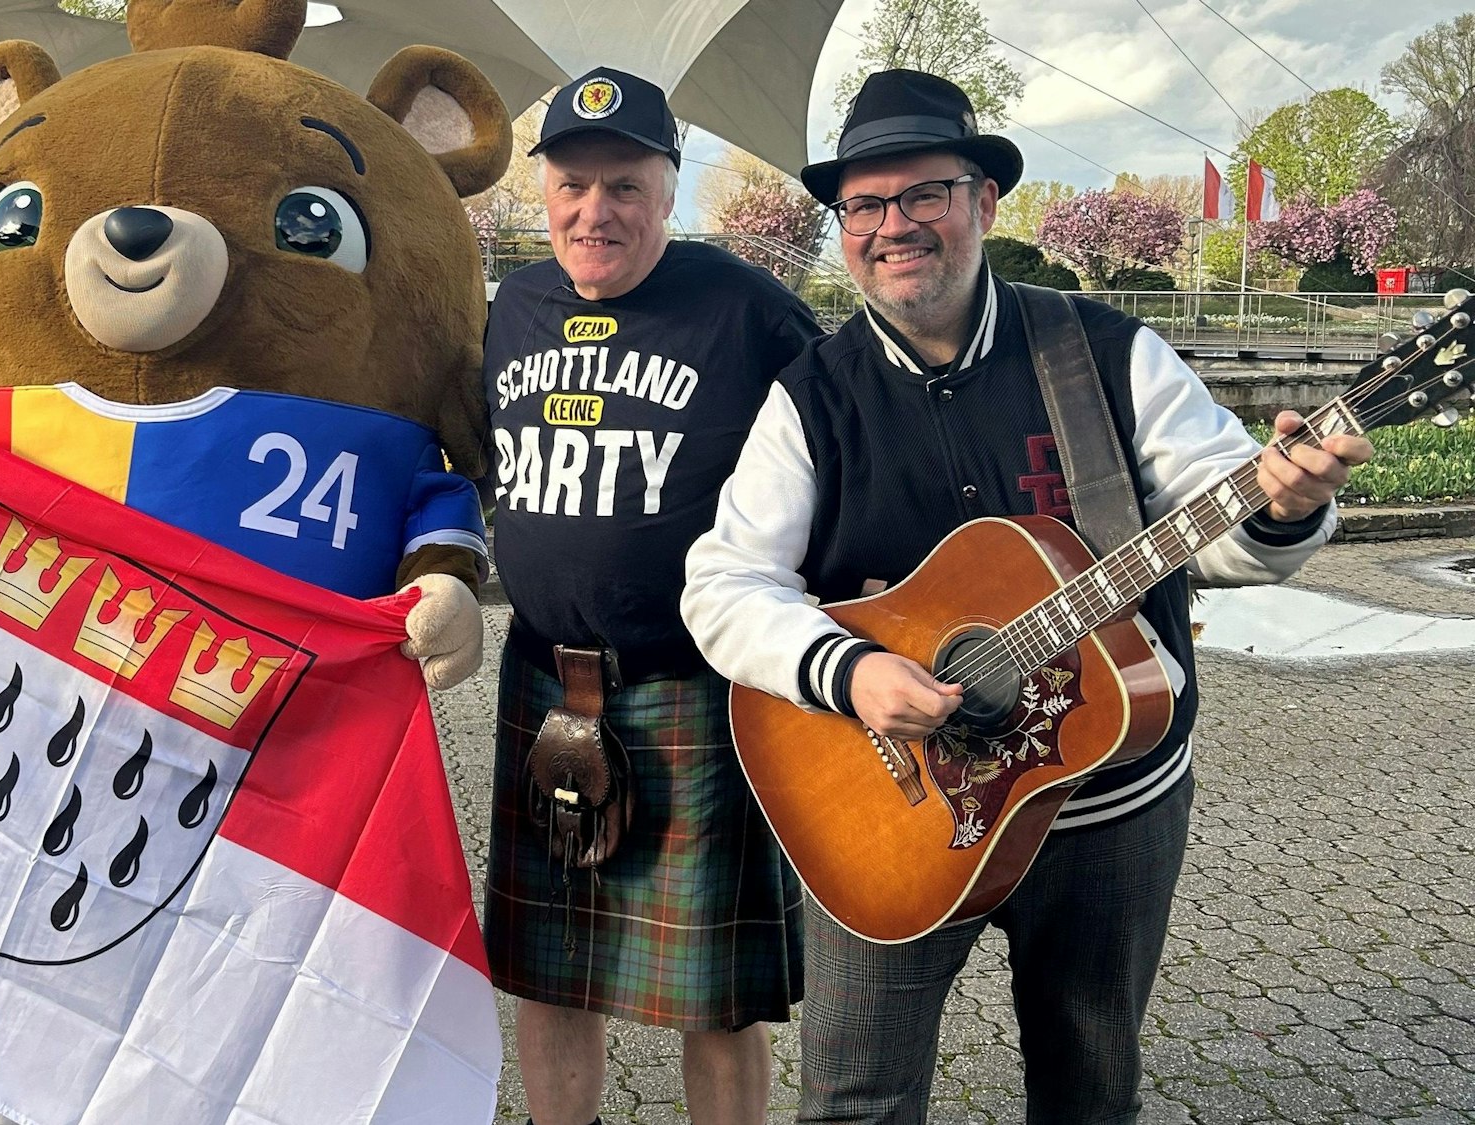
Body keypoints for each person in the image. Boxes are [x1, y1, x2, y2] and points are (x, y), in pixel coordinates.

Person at [680, 69, 1373, 1124]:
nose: (891, 225)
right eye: (862, 204)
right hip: (886, 809)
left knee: (1086, 1087)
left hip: (1107, 803)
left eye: (924, 194)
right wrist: (848, 669)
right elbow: (721, 582)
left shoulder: (1104, 352)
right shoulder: (812, 395)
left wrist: (1279, 509)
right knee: (852, 1097)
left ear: (982, 201)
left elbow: (1213, 525)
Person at [481, 66, 822, 1125]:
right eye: (571, 185)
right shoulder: (512, 307)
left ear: (670, 187)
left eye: (623, 185)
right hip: (541, 681)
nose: (594, 212)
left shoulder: (749, 311)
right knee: (545, 974)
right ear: (542, 188)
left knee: (713, 1004)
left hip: (696, 690)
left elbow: (845, 464)